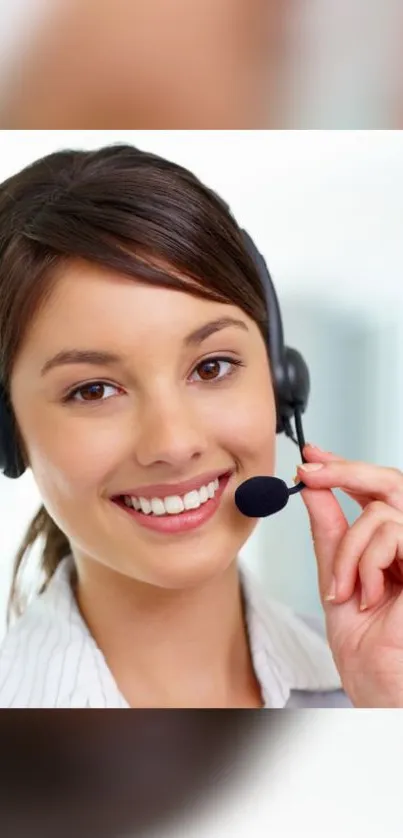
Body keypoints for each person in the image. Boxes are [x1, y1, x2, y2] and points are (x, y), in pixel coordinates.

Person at [0, 144, 402, 709]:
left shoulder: (373, 682)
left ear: (282, 383)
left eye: (211, 367)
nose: (174, 443)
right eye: (93, 389)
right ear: (9, 428)